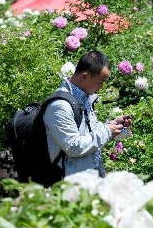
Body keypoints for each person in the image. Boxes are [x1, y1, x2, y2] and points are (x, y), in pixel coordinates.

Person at [43, 50, 133, 178]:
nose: (101, 87)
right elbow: (73, 146)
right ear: (85, 76)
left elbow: (90, 132)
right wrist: (107, 131)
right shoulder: (60, 106)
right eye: (100, 82)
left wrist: (115, 126)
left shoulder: (83, 97)